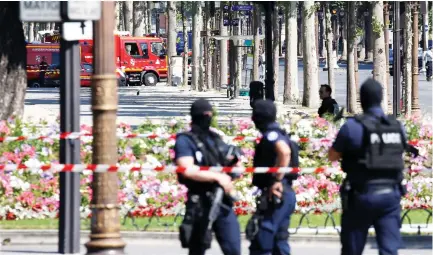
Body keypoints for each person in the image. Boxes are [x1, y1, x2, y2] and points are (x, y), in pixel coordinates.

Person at [328, 78, 407, 255]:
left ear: (361, 99)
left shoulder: (352, 127)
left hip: (360, 194)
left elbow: (332, 156)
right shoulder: (396, 127)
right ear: (380, 98)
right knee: (389, 250)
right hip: (390, 196)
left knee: (352, 250)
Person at [174, 99, 241, 255]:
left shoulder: (214, 137)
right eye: (206, 114)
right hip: (200, 202)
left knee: (233, 248)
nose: (208, 117)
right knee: (197, 248)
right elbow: (187, 169)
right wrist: (218, 177)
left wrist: (234, 166)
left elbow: (230, 162)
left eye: (210, 114)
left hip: (222, 201)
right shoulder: (185, 140)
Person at [247, 99, 298, 255]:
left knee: (263, 238)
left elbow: (284, 152)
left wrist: (276, 180)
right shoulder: (280, 132)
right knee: (279, 242)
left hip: (277, 193)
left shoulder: (272, 134)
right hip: (285, 193)